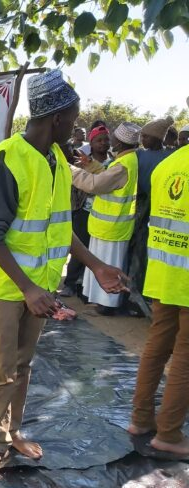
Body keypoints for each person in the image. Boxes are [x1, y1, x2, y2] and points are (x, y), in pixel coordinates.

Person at [0, 70, 127, 476]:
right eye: (73, 118)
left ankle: (12, 431)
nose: (76, 126)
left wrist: (97, 265)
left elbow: (60, 228)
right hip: (5, 285)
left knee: (23, 364)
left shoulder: (55, 162)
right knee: (2, 368)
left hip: (38, 287)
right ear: (56, 118)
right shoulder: (8, 160)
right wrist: (27, 288)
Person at [128, 143, 189, 455]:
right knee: (185, 358)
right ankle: (169, 434)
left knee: (157, 347)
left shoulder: (168, 164)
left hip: (162, 273)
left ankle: (141, 419)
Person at [80, 122, 139, 315]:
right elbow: (107, 176)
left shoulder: (123, 164)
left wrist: (69, 171)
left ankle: (107, 305)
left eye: (112, 138)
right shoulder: (126, 160)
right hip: (108, 226)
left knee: (108, 266)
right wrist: (91, 165)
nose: (109, 141)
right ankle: (100, 302)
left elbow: (95, 185)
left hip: (112, 226)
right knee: (101, 263)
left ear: (119, 143)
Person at [58, 125, 111, 298]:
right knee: (80, 247)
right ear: (92, 143)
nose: (103, 143)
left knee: (98, 250)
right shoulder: (82, 162)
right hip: (84, 210)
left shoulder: (114, 162)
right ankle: (70, 283)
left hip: (106, 215)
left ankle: (88, 286)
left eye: (106, 140)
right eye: (98, 140)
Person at [129, 116, 175, 294]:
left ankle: (141, 287)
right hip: (138, 204)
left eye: (146, 136)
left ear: (157, 138)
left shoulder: (169, 157)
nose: (142, 140)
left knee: (145, 248)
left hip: (158, 206)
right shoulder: (138, 154)